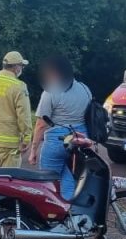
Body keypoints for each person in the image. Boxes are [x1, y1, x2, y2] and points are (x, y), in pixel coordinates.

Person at [28, 55, 91, 200]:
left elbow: (40, 124)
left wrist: (33, 151)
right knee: (69, 180)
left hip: (57, 140)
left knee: (47, 182)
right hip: (79, 140)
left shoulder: (50, 92)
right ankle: (68, 214)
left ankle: (50, 215)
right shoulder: (84, 89)